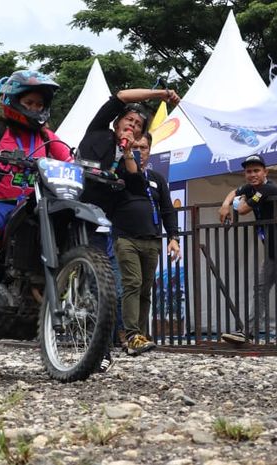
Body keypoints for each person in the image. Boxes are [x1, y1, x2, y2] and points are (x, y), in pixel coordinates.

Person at [0, 70, 72, 317]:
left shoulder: (46, 137)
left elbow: (69, 158)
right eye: (29, 103)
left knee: (64, 231)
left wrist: (86, 165)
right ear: (13, 101)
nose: (35, 108)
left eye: (40, 104)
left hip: (32, 206)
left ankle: (59, 290)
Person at [77, 89, 180, 365]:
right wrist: (161, 94)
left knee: (106, 283)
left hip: (101, 223)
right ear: (117, 122)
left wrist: (128, 152)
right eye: (130, 121)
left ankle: (106, 345)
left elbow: (135, 182)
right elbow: (120, 96)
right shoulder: (99, 132)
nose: (132, 126)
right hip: (75, 211)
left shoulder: (127, 160)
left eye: (138, 126)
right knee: (114, 280)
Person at [219, 154, 277, 344]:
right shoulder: (250, 188)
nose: (252, 174)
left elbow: (242, 209)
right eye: (249, 171)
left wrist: (236, 204)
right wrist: (226, 204)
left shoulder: (268, 188)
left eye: (256, 170)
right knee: (260, 288)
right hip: (273, 248)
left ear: (265, 172)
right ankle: (248, 333)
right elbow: (234, 191)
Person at [111, 133, 180, 356]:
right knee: (132, 283)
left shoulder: (157, 178)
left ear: (150, 150)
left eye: (144, 147)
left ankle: (139, 335)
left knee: (145, 289)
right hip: (126, 237)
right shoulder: (120, 172)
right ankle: (131, 335)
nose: (140, 151)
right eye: (135, 146)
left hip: (151, 240)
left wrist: (173, 237)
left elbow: (168, 209)